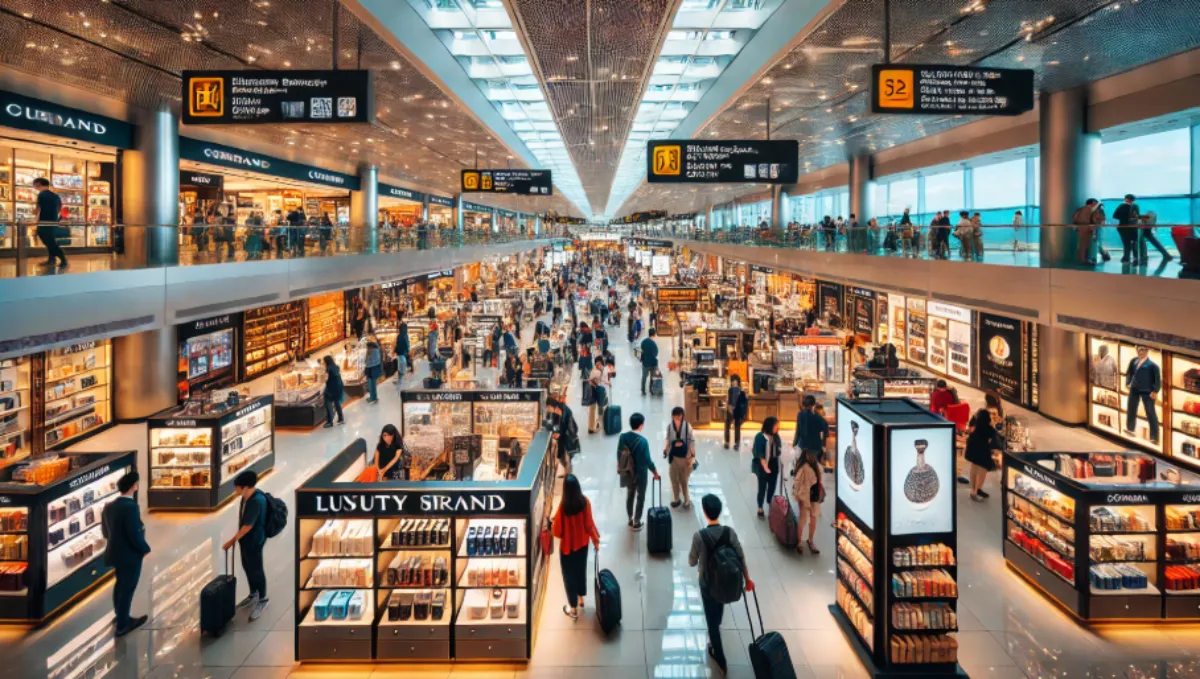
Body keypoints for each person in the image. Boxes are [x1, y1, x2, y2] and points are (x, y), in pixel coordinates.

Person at [688, 494, 753, 676]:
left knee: (711, 622)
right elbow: (741, 556)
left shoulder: (699, 536)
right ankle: (717, 622)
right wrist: (747, 579)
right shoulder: (729, 532)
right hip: (726, 580)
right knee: (720, 602)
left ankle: (721, 659)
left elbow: (692, 562)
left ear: (704, 511)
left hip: (707, 583)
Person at [101, 471, 150, 636]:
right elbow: (134, 534)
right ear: (133, 486)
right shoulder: (131, 508)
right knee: (128, 588)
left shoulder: (109, 507)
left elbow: (105, 532)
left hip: (115, 553)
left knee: (120, 584)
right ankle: (123, 624)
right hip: (130, 555)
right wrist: (145, 548)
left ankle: (119, 615)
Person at [222, 470, 270, 621]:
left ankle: (262, 598)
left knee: (256, 569)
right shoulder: (246, 498)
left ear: (245, 487)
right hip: (247, 541)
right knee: (247, 565)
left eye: (237, 487)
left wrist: (232, 540)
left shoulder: (256, 501)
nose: (235, 490)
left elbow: (247, 526)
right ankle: (253, 593)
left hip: (254, 541)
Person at [552, 474, 601, 620]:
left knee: (569, 576)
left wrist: (553, 521)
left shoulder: (563, 507)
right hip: (582, 545)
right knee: (581, 571)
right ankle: (581, 599)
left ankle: (573, 609)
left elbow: (557, 531)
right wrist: (596, 541)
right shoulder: (585, 502)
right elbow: (589, 525)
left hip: (568, 548)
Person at [617, 412, 659, 530]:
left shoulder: (623, 437)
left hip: (628, 472)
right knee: (640, 497)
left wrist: (620, 468)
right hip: (641, 475)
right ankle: (637, 521)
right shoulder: (643, 441)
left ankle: (630, 518)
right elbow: (647, 460)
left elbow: (619, 454)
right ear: (641, 425)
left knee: (630, 495)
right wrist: (655, 472)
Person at [964, 409, 1003, 502]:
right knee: (982, 471)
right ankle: (975, 491)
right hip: (983, 453)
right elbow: (996, 443)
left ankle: (974, 489)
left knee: (974, 468)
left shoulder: (976, 428)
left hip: (973, 452)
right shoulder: (990, 429)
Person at [1125, 345, 1162, 443]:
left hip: (1147, 391)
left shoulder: (1153, 366)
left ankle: (1154, 436)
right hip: (1134, 388)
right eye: (1139, 350)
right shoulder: (1134, 361)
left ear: (1147, 351)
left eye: (1143, 350)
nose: (1141, 352)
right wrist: (1128, 383)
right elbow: (1129, 373)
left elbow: (1157, 380)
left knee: (1150, 412)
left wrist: (1155, 391)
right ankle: (1130, 429)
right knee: (1131, 408)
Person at [791, 447, 823, 553]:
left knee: (808, 518)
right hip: (810, 496)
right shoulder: (812, 467)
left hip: (809, 496)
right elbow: (797, 482)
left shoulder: (809, 466)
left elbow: (797, 482)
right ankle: (805, 541)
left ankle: (805, 541)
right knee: (807, 518)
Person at [663, 406, 696, 508]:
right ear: (672, 416)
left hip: (684, 457)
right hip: (673, 457)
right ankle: (676, 499)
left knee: (683, 480)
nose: (678, 418)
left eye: (680, 416)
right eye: (676, 416)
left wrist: (692, 453)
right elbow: (668, 440)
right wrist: (666, 450)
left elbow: (691, 440)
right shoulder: (669, 427)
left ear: (682, 416)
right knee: (673, 479)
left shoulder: (687, 427)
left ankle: (687, 501)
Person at [751, 417, 783, 518]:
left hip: (774, 464)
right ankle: (760, 507)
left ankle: (769, 502)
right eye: (775, 426)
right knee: (762, 487)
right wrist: (765, 467)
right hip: (762, 465)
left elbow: (778, 450)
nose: (777, 428)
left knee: (772, 486)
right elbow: (760, 454)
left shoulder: (776, 437)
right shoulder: (760, 437)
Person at [33, 177, 67, 269]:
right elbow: (60, 208)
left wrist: (35, 218)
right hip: (53, 221)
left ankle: (63, 259)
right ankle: (51, 259)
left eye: (34, 184)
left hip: (44, 222)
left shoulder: (41, 195)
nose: (34, 186)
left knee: (49, 242)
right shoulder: (55, 196)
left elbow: (37, 210)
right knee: (50, 241)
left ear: (39, 184)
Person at [793, 394, 829, 463]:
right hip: (815, 447)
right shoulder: (817, 417)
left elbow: (798, 431)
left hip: (803, 446)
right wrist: (824, 445)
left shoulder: (800, 414)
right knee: (814, 466)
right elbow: (825, 429)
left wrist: (794, 444)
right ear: (813, 405)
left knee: (804, 465)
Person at [1073, 198, 1107, 265]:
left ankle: (1081, 259)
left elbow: (1074, 218)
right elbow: (1099, 220)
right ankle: (1085, 260)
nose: (1097, 204)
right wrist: (1096, 225)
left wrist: (1076, 227)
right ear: (1093, 203)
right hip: (1089, 229)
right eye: (1096, 203)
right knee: (1087, 245)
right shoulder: (1094, 211)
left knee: (1081, 245)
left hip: (1080, 229)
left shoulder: (1080, 209)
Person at [1114, 193, 1141, 265]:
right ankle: (1135, 257)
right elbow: (1137, 216)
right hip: (1132, 227)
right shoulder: (1135, 206)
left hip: (1122, 226)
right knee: (1134, 242)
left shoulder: (1121, 206)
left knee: (1126, 243)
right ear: (1132, 200)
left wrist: (1123, 217)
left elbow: (1115, 216)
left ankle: (1126, 258)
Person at [723, 374, 748, 450]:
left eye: (735, 381)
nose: (733, 383)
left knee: (736, 427)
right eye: (732, 381)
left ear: (738, 382)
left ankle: (736, 443)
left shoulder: (740, 391)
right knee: (728, 426)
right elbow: (727, 399)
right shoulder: (730, 390)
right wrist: (728, 407)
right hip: (730, 409)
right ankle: (727, 442)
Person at [322, 354, 345, 428]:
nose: (323, 363)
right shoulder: (336, 367)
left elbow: (326, 379)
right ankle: (341, 419)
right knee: (337, 402)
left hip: (331, 389)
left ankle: (330, 421)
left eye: (324, 362)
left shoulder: (328, 369)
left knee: (328, 404)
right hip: (338, 387)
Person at [639, 328, 660, 395]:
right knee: (652, 376)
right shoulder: (654, 344)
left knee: (644, 376)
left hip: (645, 362)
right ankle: (651, 390)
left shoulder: (643, 342)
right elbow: (656, 353)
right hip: (653, 363)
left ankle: (643, 390)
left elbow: (642, 351)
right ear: (654, 334)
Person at [364, 338, 382, 404]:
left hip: (370, 370)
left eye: (367, 348)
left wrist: (366, 355)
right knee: (373, 385)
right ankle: (374, 397)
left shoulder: (370, 352)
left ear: (370, 347)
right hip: (375, 370)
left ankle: (372, 399)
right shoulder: (377, 350)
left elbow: (366, 361)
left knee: (371, 385)